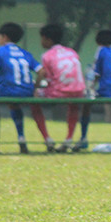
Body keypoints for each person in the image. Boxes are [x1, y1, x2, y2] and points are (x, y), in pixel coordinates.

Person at [0, 23, 55, 154]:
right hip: (27, 91)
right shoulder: (25, 53)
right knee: (14, 105)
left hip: (7, 89)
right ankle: (21, 138)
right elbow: (41, 71)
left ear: (4, 37)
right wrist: (35, 88)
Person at [31, 24, 87, 152]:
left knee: (33, 101)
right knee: (73, 105)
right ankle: (68, 139)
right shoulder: (72, 52)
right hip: (78, 91)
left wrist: (37, 88)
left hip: (59, 92)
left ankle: (47, 139)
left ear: (47, 39)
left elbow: (49, 78)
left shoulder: (47, 55)